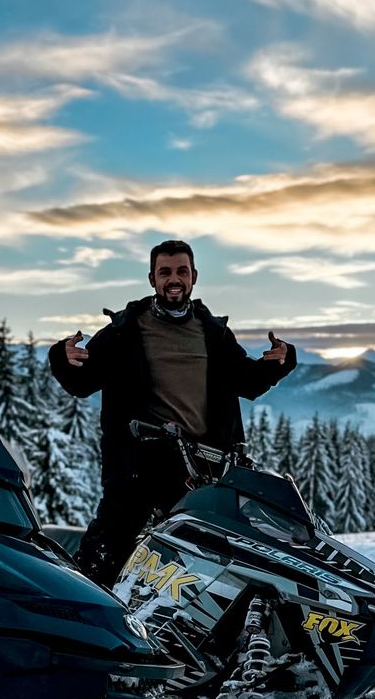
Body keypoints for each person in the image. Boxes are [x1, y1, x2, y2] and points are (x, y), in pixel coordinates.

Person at [48, 239, 296, 585]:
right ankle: (87, 626)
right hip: (137, 466)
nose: (174, 278)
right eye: (165, 272)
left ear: (194, 277)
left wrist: (280, 363)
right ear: (152, 279)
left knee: (209, 565)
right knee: (105, 554)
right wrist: (62, 358)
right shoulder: (125, 330)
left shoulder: (213, 333)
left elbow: (247, 382)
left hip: (203, 468)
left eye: (182, 271)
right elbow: (82, 383)